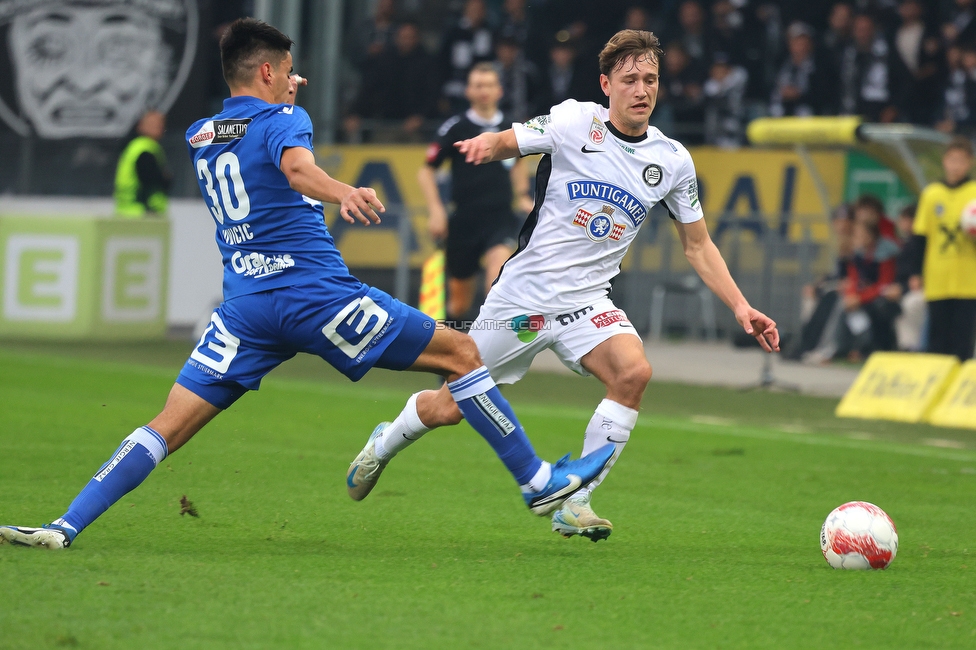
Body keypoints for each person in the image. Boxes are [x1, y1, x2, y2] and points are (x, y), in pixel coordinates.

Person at [0, 18, 614, 550]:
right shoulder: (288, 119)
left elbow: (250, 135)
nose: (295, 80)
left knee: (168, 424)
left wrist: (275, 103)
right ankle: (537, 482)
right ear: (269, 71)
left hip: (244, 309)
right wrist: (341, 188)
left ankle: (65, 524)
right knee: (461, 352)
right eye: (288, 70)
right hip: (316, 296)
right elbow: (294, 166)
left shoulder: (201, 136)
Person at [346, 29, 780, 543]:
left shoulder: (672, 162)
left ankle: (574, 503)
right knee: (448, 407)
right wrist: (489, 146)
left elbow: (698, 245)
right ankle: (385, 441)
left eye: (651, 79)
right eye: (630, 80)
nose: (642, 90)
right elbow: (511, 139)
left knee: (633, 372)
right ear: (606, 84)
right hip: (524, 300)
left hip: (587, 303)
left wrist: (741, 306)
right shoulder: (575, 120)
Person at [420, 62, 534, 325]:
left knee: (496, 284)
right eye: (478, 85)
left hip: (500, 218)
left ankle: (491, 355)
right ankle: (456, 347)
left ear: (499, 91)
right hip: (464, 221)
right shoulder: (455, 127)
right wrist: (436, 211)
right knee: (459, 304)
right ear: (468, 91)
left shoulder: (510, 128)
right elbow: (426, 172)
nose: (484, 90)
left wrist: (523, 195)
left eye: (489, 85)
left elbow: (518, 162)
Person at [910, 136, 976, 361]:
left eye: (962, 160)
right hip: (937, 276)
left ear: (970, 163)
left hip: (969, 279)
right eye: (952, 160)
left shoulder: (974, 193)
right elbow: (920, 236)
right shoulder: (931, 194)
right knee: (938, 337)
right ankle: (936, 386)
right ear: (944, 161)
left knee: (962, 338)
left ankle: (958, 391)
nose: (956, 165)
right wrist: (915, 272)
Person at [114, 110, 172, 218]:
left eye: (159, 124)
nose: (158, 127)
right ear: (141, 125)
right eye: (153, 124)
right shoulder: (146, 149)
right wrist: (166, 178)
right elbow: (151, 179)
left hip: (126, 210)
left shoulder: (134, 147)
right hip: (143, 212)